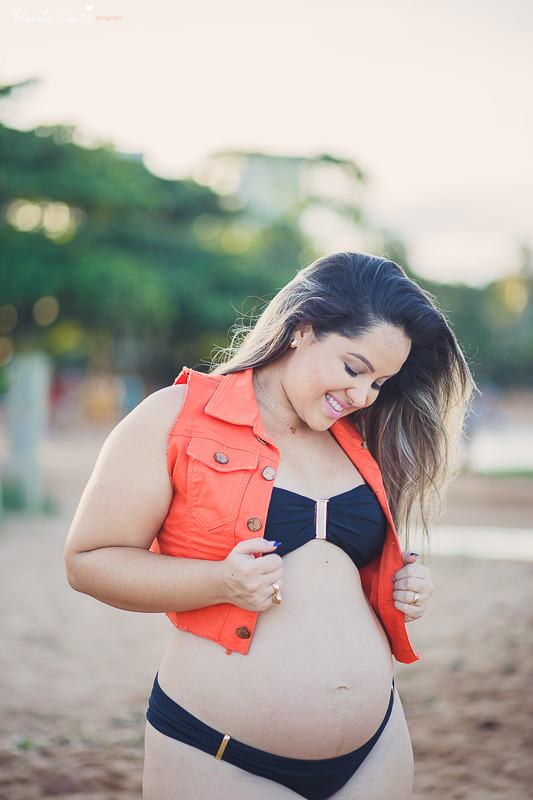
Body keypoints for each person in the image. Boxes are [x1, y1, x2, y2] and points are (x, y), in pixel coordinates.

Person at [65, 252, 474, 800]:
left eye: (380, 382)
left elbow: (341, 575)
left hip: (377, 749)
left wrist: (404, 584)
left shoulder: (361, 438)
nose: (362, 396)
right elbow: (87, 561)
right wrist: (219, 583)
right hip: (220, 753)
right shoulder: (174, 416)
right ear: (302, 328)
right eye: (354, 368)